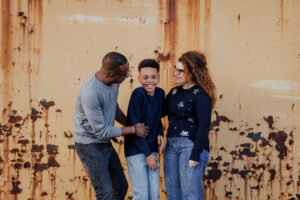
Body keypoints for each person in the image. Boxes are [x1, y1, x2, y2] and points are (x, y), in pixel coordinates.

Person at [73, 52, 149, 200]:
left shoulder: (113, 83)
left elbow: (114, 108)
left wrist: (131, 124)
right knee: (105, 193)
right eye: (124, 75)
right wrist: (133, 129)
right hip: (89, 146)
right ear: (111, 74)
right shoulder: (91, 93)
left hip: (103, 143)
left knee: (121, 186)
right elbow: (102, 131)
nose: (126, 77)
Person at [163, 51, 216, 200]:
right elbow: (159, 112)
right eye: (176, 69)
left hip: (191, 146)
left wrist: (196, 153)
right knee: (173, 193)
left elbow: (204, 125)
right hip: (171, 146)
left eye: (181, 70)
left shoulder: (201, 94)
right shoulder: (174, 92)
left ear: (192, 72)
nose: (176, 73)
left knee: (190, 193)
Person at [124, 59, 165, 200]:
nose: (150, 81)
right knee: (141, 194)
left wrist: (160, 133)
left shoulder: (160, 94)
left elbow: (157, 118)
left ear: (158, 78)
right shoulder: (138, 95)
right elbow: (135, 128)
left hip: (151, 149)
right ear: (139, 78)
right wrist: (147, 155)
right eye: (145, 77)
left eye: (153, 77)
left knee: (154, 194)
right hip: (136, 150)